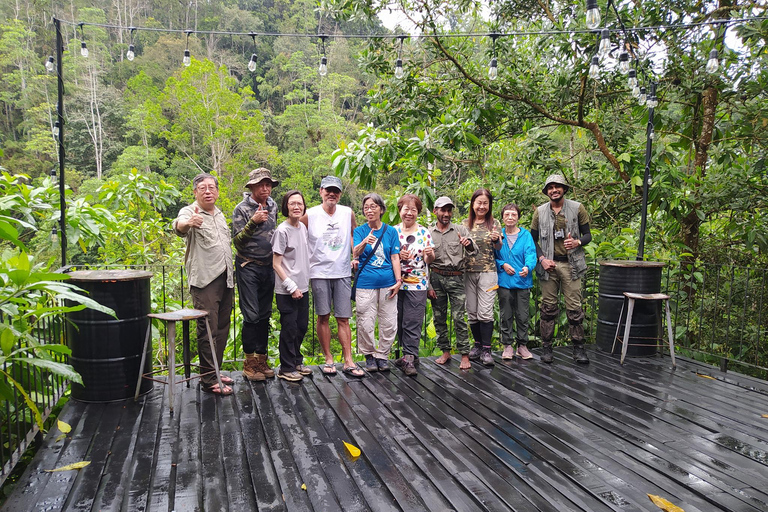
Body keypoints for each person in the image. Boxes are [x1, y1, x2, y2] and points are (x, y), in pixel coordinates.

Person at [172, 173, 234, 395]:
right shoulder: (190, 211)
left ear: (217, 191)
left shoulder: (219, 214)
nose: (208, 191)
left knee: (222, 327)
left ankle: (215, 370)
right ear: (195, 192)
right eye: (202, 188)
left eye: (212, 187)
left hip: (226, 278)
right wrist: (188, 223)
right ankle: (208, 378)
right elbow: (179, 226)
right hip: (205, 279)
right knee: (207, 328)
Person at [301, 176, 364, 378]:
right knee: (323, 316)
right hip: (318, 272)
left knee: (344, 318)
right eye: (328, 190)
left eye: (335, 191)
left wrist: (355, 255)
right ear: (320, 191)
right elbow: (296, 233)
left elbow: (356, 234)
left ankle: (348, 360)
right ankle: (328, 358)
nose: (331, 194)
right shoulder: (310, 214)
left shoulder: (347, 213)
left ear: (340, 194)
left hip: (343, 271)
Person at [531, 174, 592, 364]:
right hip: (549, 265)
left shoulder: (577, 208)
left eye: (558, 187)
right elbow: (532, 240)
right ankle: (547, 348)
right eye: (550, 187)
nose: (554, 190)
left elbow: (588, 234)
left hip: (571, 265)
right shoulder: (539, 212)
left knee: (574, 308)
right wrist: (541, 259)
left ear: (564, 189)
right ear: (546, 191)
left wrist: (577, 242)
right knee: (548, 308)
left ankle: (579, 349)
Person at [233, 168, 279, 381]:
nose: (265, 188)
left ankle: (261, 359)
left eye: (268, 184)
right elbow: (237, 242)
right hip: (247, 266)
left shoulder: (274, 205)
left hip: (268, 267)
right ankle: (249, 362)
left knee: (264, 314)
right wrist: (253, 222)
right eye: (261, 184)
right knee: (251, 315)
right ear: (251, 187)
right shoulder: (241, 209)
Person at [352, 193, 402, 372]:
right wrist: (365, 241)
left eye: (373, 206)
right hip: (365, 283)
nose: (369, 210)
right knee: (365, 321)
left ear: (381, 209)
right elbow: (355, 252)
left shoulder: (391, 231)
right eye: (366, 207)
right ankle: (369, 355)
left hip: (388, 283)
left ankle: (382, 355)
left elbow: (395, 257)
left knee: (389, 322)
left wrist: (398, 280)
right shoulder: (359, 231)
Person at [428, 196, 475, 370]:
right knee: (439, 317)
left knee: (458, 317)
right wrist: (428, 285)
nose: (446, 213)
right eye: (443, 210)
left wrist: (468, 244)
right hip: (436, 277)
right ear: (435, 211)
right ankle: (445, 351)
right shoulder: (428, 232)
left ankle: (464, 354)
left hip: (456, 277)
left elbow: (473, 251)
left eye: (449, 210)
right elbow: (424, 263)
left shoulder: (460, 229)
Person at [271, 190, 312, 382]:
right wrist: (291, 286)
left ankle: (296, 360)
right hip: (287, 289)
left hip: (303, 287)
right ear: (285, 207)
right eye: (292, 203)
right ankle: (286, 367)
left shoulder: (302, 228)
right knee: (289, 327)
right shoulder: (282, 230)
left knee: (301, 326)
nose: (297, 207)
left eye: (299, 203)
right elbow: (276, 264)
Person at [393, 194, 434, 376]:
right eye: (406, 209)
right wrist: (397, 256)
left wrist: (430, 254)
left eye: (413, 210)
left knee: (413, 321)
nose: (409, 213)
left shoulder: (424, 232)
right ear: (400, 210)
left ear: (418, 212)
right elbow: (388, 256)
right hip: (396, 284)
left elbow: (429, 259)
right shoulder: (392, 232)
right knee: (399, 321)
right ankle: (409, 355)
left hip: (418, 284)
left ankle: (409, 358)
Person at [464, 188, 502, 366]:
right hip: (468, 272)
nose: (481, 206)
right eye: (478, 202)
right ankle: (477, 345)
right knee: (472, 311)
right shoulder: (465, 224)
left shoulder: (494, 223)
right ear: (472, 204)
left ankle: (487, 350)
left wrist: (496, 239)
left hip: (488, 272)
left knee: (485, 312)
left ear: (489, 205)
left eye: (485, 203)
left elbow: (499, 248)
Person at [495, 203, 537, 360]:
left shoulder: (525, 235)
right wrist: (503, 264)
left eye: (513, 214)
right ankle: (507, 346)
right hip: (504, 281)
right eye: (507, 214)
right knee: (505, 315)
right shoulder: (498, 235)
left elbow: (531, 254)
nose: (510, 217)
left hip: (522, 280)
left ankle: (522, 346)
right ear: (503, 217)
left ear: (518, 217)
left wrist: (528, 267)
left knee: (522, 315)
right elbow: (493, 256)